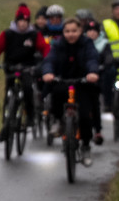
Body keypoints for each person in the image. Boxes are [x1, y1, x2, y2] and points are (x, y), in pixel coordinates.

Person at [41, 18, 100, 166]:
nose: (70, 34)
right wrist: (48, 73)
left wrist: (92, 72)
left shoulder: (87, 43)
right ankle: (57, 121)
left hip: (83, 82)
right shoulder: (58, 45)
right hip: (63, 81)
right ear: (63, 32)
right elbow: (50, 60)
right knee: (56, 94)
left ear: (80, 31)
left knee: (86, 116)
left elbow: (92, 59)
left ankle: (86, 146)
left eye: (74, 31)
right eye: (67, 31)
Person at [0, 2, 50, 141]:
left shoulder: (34, 35)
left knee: (27, 88)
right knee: (8, 96)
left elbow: (44, 48)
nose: (23, 24)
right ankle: (5, 126)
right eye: (21, 21)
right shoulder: (7, 34)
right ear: (16, 20)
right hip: (11, 67)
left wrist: (46, 62)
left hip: (27, 67)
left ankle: (30, 116)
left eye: (26, 21)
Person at [84, 19, 112, 144]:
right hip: (83, 76)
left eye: (94, 31)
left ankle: (98, 130)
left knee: (94, 102)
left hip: (99, 76)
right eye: (89, 31)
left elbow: (108, 57)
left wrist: (102, 66)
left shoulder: (104, 44)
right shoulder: (82, 43)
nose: (91, 33)